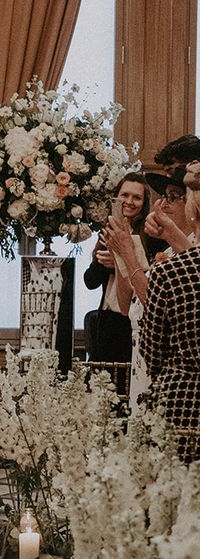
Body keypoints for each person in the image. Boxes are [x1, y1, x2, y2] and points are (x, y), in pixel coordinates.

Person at [103, 167, 194, 416]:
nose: (163, 204)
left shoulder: (192, 251)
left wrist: (130, 257)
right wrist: (122, 251)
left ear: (193, 203)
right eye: (163, 196)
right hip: (140, 360)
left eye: (173, 196)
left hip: (167, 370)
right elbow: (126, 306)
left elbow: (156, 307)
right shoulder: (170, 250)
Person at [140, 202, 200, 463]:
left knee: (174, 491)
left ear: (192, 211)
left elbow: (151, 348)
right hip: (180, 394)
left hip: (182, 399)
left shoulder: (169, 272)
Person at [83, 173, 154, 363]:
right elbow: (90, 281)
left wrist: (116, 264)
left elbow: (150, 280)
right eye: (125, 195)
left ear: (144, 203)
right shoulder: (107, 230)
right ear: (116, 198)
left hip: (134, 319)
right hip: (106, 319)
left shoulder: (151, 235)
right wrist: (105, 264)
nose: (129, 202)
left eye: (137, 197)